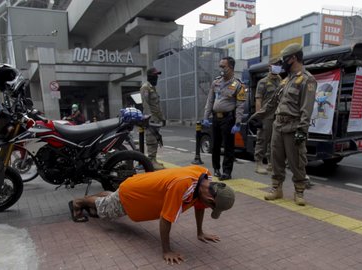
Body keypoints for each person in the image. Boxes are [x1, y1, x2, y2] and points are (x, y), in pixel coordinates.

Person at [68, 165, 235, 265]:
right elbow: (166, 219)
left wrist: (200, 232)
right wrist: (166, 251)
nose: (208, 208)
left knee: (112, 199)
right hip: (132, 194)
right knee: (105, 210)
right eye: (212, 206)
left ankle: (107, 197)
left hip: (139, 186)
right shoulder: (183, 186)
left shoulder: (205, 176)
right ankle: (78, 203)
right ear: (210, 199)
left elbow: (199, 206)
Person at [249, 43, 317, 206]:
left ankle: (299, 192)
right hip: (278, 126)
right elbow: (272, 103)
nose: (282, 64)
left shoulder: (307, 79)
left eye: (284, 60)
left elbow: (306, 108)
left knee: (297, 161)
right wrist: (257, 116)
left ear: (293, 58)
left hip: (293, 127)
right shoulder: (285, 81)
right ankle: (276, 189)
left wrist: (302, 130)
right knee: (276, 159)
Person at [202, 57, 246, 180]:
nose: (220, 69)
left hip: (228, 119)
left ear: (231, 67)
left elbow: (240, 105)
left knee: (228, 146)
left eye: (223, 66)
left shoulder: (238, 85)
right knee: (215, 145)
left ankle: (227, 172)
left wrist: (237, 123)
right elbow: (210, 100)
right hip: (216, 118)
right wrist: (206, 116)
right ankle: (216, 169)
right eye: (220, 66)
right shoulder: (216, 82)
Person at [253, 58, 282, 175]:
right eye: (275, 65)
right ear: (269, 66)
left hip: (277, 115)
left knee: (274, 141)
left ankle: (271, 163)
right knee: (262, 139)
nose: (278, 67)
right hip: (266, 116)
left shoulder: (280, 81)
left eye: (279, 65)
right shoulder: (263, 82)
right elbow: (258, 100)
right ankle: (259, 163)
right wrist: (258, 116)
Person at [141, 67, 166, 169]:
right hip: (151, 119)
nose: (157, 78)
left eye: (157, 76)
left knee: (155, 140)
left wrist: (162, 118)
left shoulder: (152, 88)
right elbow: (145, 104)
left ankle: (154, 159)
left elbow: (157, 106)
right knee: (151, 140)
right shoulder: (145, 87)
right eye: (155, 76)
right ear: (150, 76)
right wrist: (149, 119)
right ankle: (151, 161)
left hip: (156, 119)